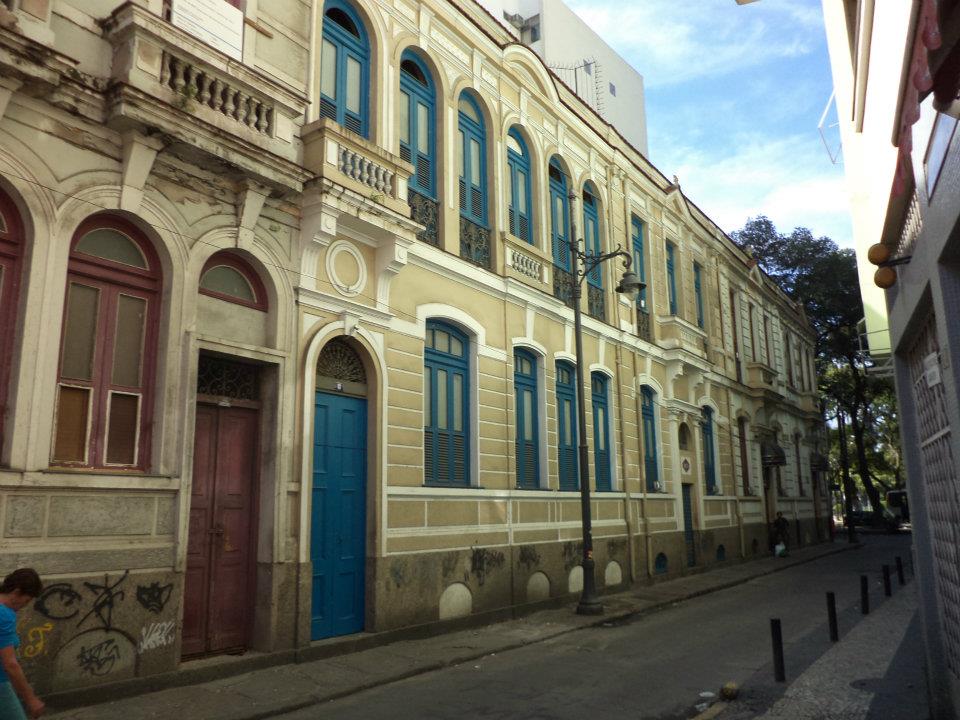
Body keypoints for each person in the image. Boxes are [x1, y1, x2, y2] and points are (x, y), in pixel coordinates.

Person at [0, 568, 44, 719]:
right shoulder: (4, 615)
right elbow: (10, 664)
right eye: (26, 600)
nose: (24, 606)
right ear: (16, 592)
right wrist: (31, 699)